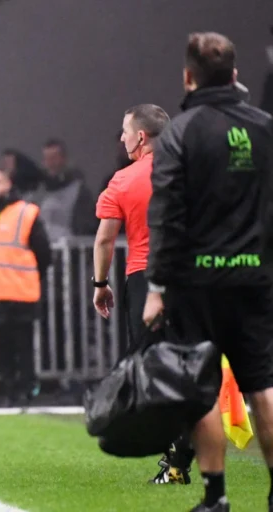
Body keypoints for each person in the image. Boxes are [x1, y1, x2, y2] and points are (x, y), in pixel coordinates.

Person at [142, 32, 273, 512]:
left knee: (202, 391)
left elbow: (167, 214)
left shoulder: (181, 132)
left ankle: (216, 498)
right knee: (263, 384)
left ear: (188, 77)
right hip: (255, 279)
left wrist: (156, 286)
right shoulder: (265, 127)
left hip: (197, 284)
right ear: (235, 75)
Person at [92, 104, 199, 484]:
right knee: (195, 364)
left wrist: (100, 284)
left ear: (141, 137)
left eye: (125, 131)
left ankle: (174, 463)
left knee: (156, 369)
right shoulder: (193, 170)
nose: (121, 138)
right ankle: (197, 460)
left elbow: (105, 239)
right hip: (195, 279)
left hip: (144, 277)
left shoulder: (123, 180)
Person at [0, 168, 51, 406]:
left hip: (21, 292)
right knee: (2, 347)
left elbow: (43, 253)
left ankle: (26, 389)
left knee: (23, 346)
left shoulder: (26, 213)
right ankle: (8, 390)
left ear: (8, 185)